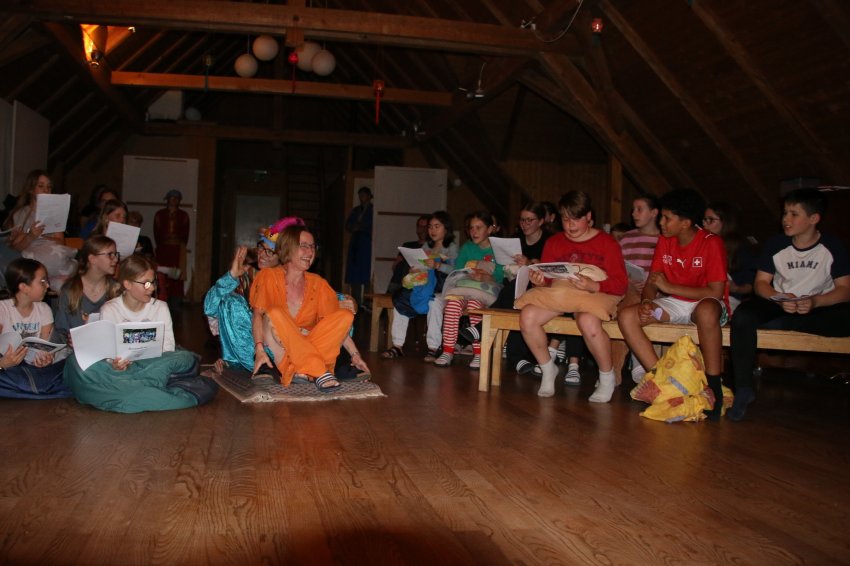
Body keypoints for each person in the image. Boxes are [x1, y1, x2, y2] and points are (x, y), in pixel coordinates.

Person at [728, 189, 850, 421]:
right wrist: (779, 297)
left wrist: (815, 301)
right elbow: (761, 284)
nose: (786, 219)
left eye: (794, 214)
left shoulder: (832, 246)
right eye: (785, 213)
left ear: (814, 218)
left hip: (818, 305)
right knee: (743, 315)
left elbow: (845, 289)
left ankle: (784, 324)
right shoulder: (776, 243)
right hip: (780, 302)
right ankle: (743, 387)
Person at [618, 189, 728, 419]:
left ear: (685, 223)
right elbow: (653, 281)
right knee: (627, 316)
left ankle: (714, 385)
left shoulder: (711, 243)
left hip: (704, 302)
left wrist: (669, 288)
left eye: (667, 218)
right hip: (673, 304)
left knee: (707, 311)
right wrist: (647, 301)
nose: (661, 222)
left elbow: (715, 292)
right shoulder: (665, 240)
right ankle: (663, 381)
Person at [63, 254, 214, 413]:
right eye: (146, 283)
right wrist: (116, 363)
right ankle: (141, 389)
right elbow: (108, 353)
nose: (152, 288)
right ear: (127, 284)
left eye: (153, 282)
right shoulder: (110, 309)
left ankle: (121, 390)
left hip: (154, 363)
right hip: (122, 370)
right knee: (74, 362)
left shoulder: (160, 307)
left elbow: (168, 347)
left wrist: (141, 359)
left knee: (185, 358)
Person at [518, 191, 627, 402]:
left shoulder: (607, 242)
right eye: (566, 219)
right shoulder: (555, 242)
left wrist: (594, 285)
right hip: (562, 292)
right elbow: (548, 278)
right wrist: (539, 281)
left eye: (576, 219)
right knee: (528, 316)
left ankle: (607, 377)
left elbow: (620, 284)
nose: (570, 225)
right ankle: (548, 368)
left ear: (589, 217)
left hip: (596, 292)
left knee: (588, 321)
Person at [250, 224, 356, 392]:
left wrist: (356, 355)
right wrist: (259, 350)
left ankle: (302, 371)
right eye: (304, 246)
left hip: (312, 346)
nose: (310, 251)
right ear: (288, 248)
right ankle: (318, 370)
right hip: (282, 350)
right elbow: (257, 315)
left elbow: (334, 327)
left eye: (312, 246)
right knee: (273, 314)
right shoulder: (268, 276)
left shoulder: (319, 284)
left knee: (345, 316)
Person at [204, 218, 289, 373]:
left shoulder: (289, 278)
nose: (262, 255)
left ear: (282, 257)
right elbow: (210, 307)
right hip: (251, 349)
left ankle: (266, 365)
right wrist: (231, 276)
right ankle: (237, 362)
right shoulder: (248, 274)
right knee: (230, 302)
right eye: (261, 248)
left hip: (281, 347)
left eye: (270, 252)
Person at [381, 211, 458, 361]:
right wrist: (415, 269)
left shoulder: (451, 248)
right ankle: (397, 345)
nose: (432, 230)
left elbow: (455, 271)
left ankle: (433, 347)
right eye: (430, 227)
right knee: (401, 300)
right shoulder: (426, 246)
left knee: (434, 303)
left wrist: (438, 265)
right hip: (424, 286)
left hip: (442, 288)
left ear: (446, 228)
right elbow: (421, 266)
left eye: (437, 226)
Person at [434, 210, 504, 369]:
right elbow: (457, 271)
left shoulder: (497, 249)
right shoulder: (467, 247)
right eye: (471, 228)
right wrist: (468, 273)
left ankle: (479, 352)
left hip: (487, 292)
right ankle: (448, 350)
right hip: (465, 288)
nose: (474, 232)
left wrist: (487, 277)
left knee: (474, 306)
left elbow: (502, 275)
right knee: (452, 305)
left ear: (490, 229)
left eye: (479, 228)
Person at [0, 258, 70, 399]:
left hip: (32, 366)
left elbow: (45, 346)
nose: (47, 285)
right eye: (42, 281)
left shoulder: (44, 309)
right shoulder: (3, 309)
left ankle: (31, 386)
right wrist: (2, 364)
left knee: (69, 363)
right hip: (7, 366)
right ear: (24, 287)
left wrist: (46, 358)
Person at [4, 170, 77, 290]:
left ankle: (55, 281)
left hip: (54, 255)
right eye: (41, 186)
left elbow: (60, 241)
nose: (46, 190)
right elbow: (17, 246)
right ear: (31, 189)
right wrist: (31, 236)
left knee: (64, 264)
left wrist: (41, 236)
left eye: (49, 187)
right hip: (35, 258)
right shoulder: (22, 214)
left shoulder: (54, 213)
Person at [617, 195, 661, 382]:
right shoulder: (627, 238)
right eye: (633, 209)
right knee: (631, 300)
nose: (634, 214)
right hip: (630, 289)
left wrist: (653, 284)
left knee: (648, 306)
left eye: (639, 209)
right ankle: (633, 364)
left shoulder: (665, 239)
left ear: (654, 213)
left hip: (657, 292)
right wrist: (629, 280)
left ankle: (642, 361)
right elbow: (617, 267)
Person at [53, 236, 121, 344]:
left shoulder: (116, 290)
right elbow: (61, 330)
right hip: (76, 351)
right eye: (110, 254)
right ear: (92, 259)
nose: (116, 259)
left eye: (116, 254)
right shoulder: (70, 290)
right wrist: (69, 340)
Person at [703, 202, 758, 311]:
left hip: (728, 298)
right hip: (700, 294)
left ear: (725, 222)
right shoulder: (701, 242)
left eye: (710, 220)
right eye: (704, 219)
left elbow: (750, 285)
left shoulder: (739, 248)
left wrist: (735, 288)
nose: (705, 223)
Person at [154, 189, 190, 310]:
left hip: (177, 250)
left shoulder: (183, 215)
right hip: (163, 249)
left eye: (176, 198)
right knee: (162, 273)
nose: (173, 200)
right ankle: (161, 299)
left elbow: (185, 235)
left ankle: (176, 302)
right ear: (167, 199)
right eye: (171, 198)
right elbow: (157, 234)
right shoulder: (160, 214)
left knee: (177, 274)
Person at [345, 186, 373, 309]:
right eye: (360, 195)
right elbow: (348, 225)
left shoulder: (373, 210)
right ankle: (355, 301)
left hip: (367, 244)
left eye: (363, 195)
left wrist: (361, 227)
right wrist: (354, 227)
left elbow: (373, 226)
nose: (361, 198)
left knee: (366, 272)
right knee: (355, 273)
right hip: (356, 244)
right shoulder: (356, 210)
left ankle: (367, 301)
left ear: (369, 196)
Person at [387, 214, 430, 295]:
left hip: (419, 281)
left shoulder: (432, 247)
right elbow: (394, 267)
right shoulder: (407, 245)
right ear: (417, 229)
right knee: (402, 264)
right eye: (420, 227)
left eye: (425, 227)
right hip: (400, 281)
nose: (423, 230)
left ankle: (402, 290)